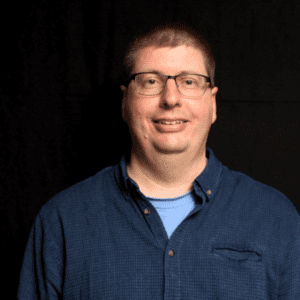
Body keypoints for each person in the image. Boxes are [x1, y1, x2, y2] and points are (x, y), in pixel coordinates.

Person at [17, 22, 300, 299]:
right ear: (125, 103)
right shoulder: (62, 221)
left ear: (212, 104)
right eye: (151, 81)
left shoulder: (277, 219)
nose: (170, 98)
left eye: (189, 82)